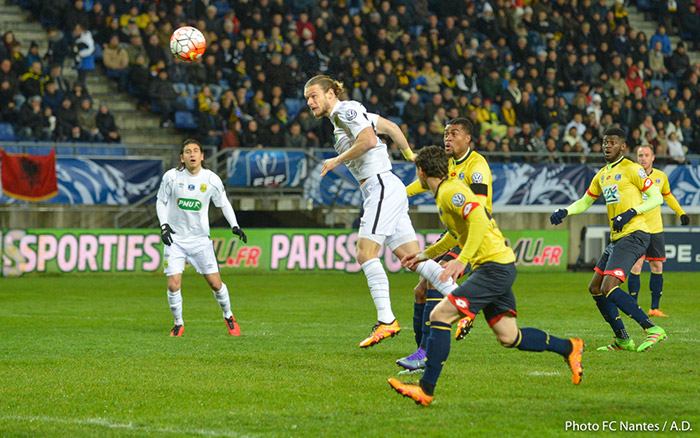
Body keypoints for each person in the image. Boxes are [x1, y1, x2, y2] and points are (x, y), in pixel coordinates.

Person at [388, 146, 584, 406]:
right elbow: (456, 233)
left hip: (493, 268)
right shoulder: (445, 192)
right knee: (509, 337)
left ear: (421, 172)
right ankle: (570, 347)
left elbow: (479, 219)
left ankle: (426, 389)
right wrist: (425, 255)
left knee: (440, 315)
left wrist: (462, 260)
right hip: (498, 266)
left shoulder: (450, 192)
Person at [303, 75, 456, 348]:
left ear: (330, 94)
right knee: (414, 259)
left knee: (365, 253)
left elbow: (369, 141)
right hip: (386, 186)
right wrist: (411, 156)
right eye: (307, 99)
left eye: (314, 95)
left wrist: (337, 159)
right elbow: (392, 128)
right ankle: (461, 300)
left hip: (381, 187)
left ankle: (386, 320)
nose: (310, 102)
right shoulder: (352, 112)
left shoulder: (345, 111)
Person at [550, 127, 667, 352]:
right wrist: (565, 211)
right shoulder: (602, 174)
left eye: (612, 142)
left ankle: (651, 328)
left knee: (609, 286)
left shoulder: (633, 169)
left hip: (635, 234)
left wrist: (632, 212)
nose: (607, 146)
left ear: (623, 146)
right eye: (605, 142)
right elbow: (585, 201)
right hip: (617, 238)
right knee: (595, 287)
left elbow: (656, 197)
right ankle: (623, 339)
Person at [397, 117, 493, 372]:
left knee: (436, 273)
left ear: (468, 138)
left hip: (475, 234)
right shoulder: (446, 165)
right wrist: (397, 195)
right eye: (446, 134)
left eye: (454, 133)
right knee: (420, 290)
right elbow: (421, 184)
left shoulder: (477, 165)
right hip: (454, 232)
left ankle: (428, 349)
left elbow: (478, 212)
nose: (447, 138)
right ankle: (420, 351)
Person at [155, 139, 248, 337]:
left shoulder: (211, 179)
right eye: (187, 151)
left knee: (215, 284)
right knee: (173, 284)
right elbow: (161, 202)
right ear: (182, 157)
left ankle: (229, 316)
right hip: (176, 240)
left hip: (200, 241)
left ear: (202, 156)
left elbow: (223, 203)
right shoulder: (171, 177)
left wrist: (235, 225)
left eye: (196, 151)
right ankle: (178, 324)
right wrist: (164, 226)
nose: (192, 154)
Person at [628, 144, 690, 317]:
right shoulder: (631, 176)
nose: (643, 158)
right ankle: (632, 307)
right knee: (636, 265)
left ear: (653, 157)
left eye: (646, 155)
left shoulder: (661, 177)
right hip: (637, 228)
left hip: (655, 229)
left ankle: (654, 308)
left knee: (657, 265)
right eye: (640, 155)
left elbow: (668, 196)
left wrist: (681, 213)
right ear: (637, 157)